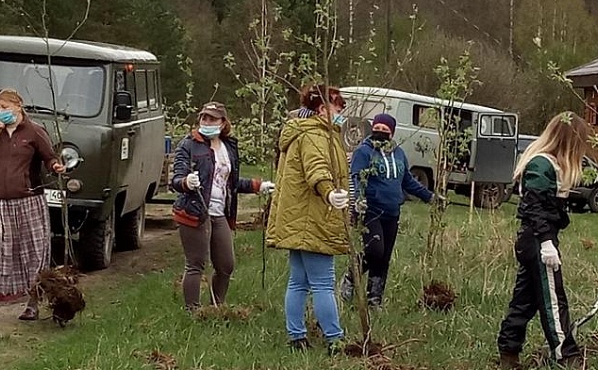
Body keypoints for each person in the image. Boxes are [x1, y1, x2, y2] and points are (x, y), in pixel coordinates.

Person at [497, 112, 588, 369]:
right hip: (538, 239)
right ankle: (566, 355)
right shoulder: (541, 164)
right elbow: (534, 205)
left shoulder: (550, 164)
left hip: (536, 238)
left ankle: (509, 353)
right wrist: (547, 242)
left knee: (524, 301)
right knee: (553, 299)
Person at [0, 88, 66, 321]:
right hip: (0, 202)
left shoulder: (34, 132)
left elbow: (49, 157)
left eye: (5, 107)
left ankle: (32, 304)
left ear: (18, 106)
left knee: (32, 254)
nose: (1, 112)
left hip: (28, 201)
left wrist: (55, 167)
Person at [265, 85, 350, 355]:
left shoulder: (303, 132)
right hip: (312, 219)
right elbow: (317, 169)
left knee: (298, 281)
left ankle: (297, 337)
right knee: (323, 282)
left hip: (297, 218)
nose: (342, 111)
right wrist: (330, 193)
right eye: (338, 106)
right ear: (323, 110)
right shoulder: (315, 135)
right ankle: (335, 339)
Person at [171, 101, 274, 309]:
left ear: (223, 123)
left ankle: (217, 307)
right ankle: (193, 312)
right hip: (194, 212)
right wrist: (186, 182)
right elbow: (176, 180)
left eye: (212, 118)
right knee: (196, 264)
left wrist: (258, 185)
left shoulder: (228, 147)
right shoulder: (188, 145)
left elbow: (231, 183)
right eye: (203, 118)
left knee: (226, 265)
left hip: (220, 213)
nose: (206, 122)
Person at [339, 113, 438, 307]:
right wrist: (359, 199)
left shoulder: (398, 153)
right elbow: (357, 177)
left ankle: (374, 298)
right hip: (370, 210)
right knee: (375, 251)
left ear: (392, 133)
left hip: (392, 213)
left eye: (385, 130)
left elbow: (407, 181)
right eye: (378, 128)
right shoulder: (364, 152)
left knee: (384, 258)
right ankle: (351, 277)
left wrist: (430, 197)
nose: (381, 132)